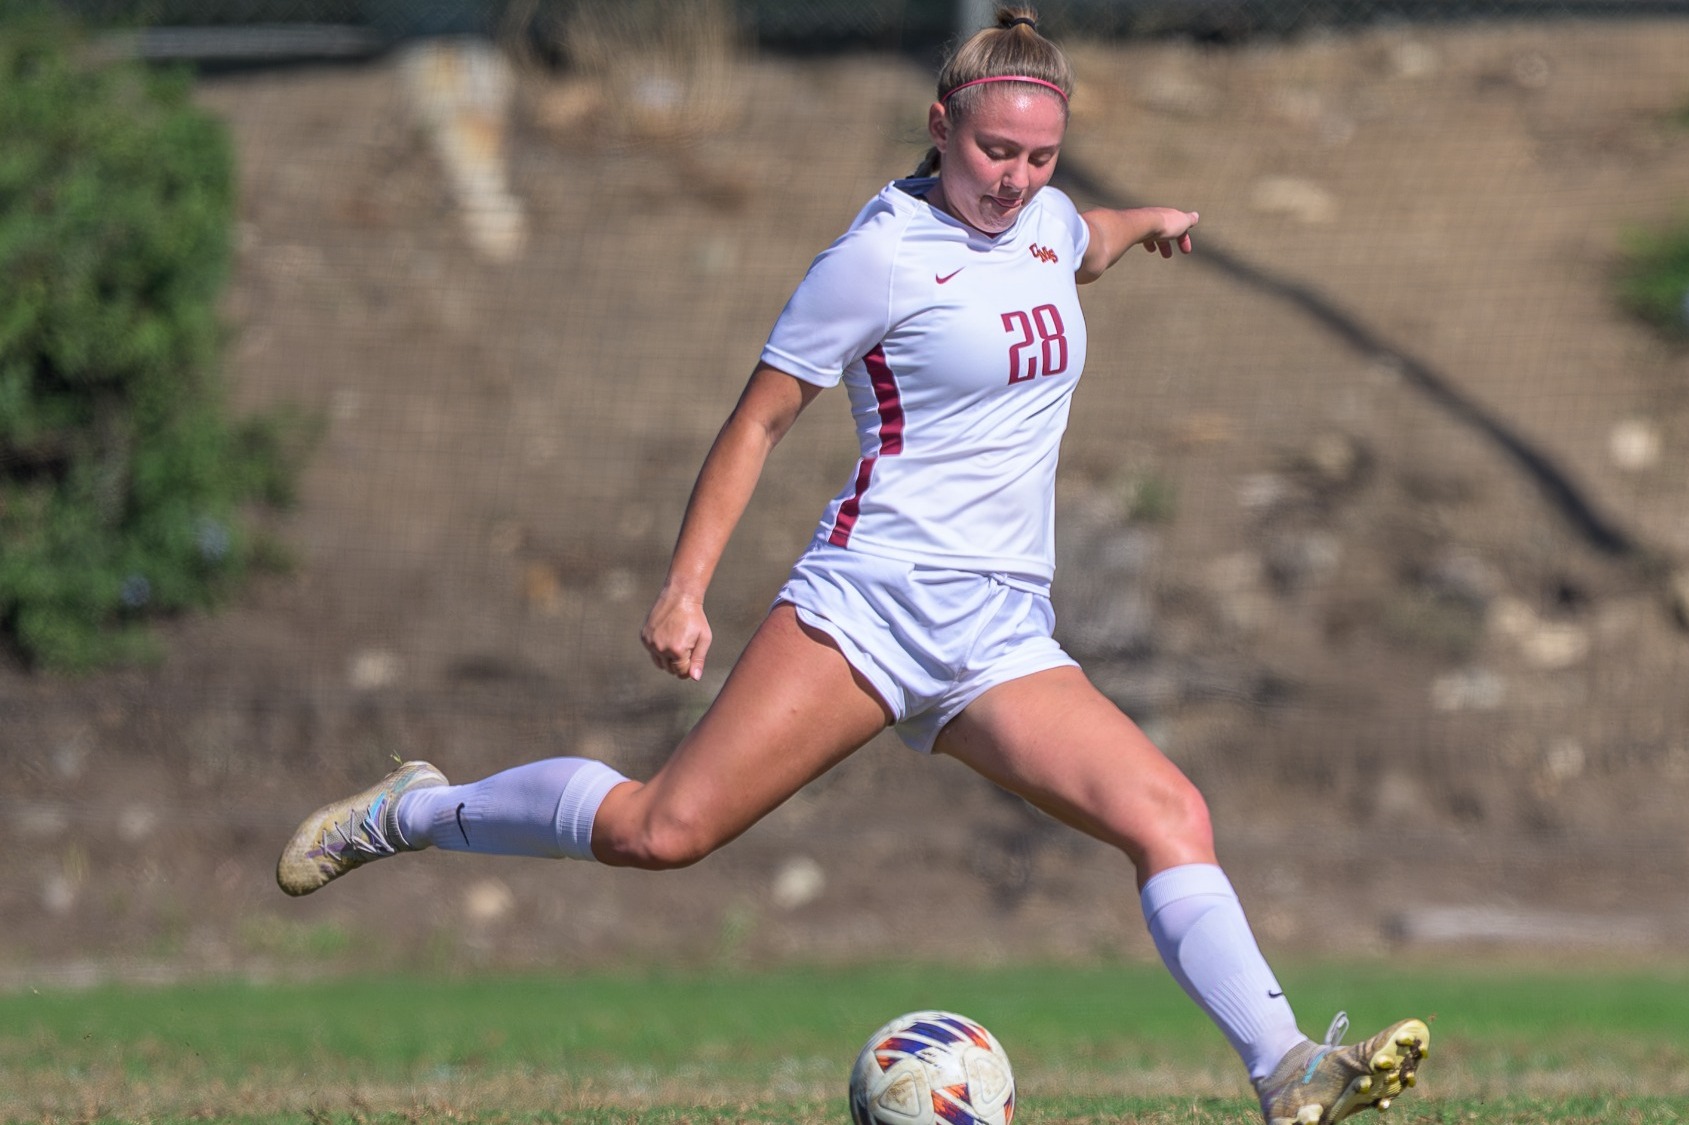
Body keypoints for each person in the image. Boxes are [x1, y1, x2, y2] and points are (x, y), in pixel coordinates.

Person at [275, 8, 1428, 1122]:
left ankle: (1285, 1072)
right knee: (660, 832)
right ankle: (416, 811)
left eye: (1040, 155)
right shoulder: (875, 258)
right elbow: (757, 423)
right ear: (937, 124)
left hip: (1000, 636)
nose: (1016, 177)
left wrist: (1150, 219)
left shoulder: (1048, 220)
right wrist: (685, 588)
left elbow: (1084, 241)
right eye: (993, 151)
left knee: (1169, 813)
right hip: (868, 606)